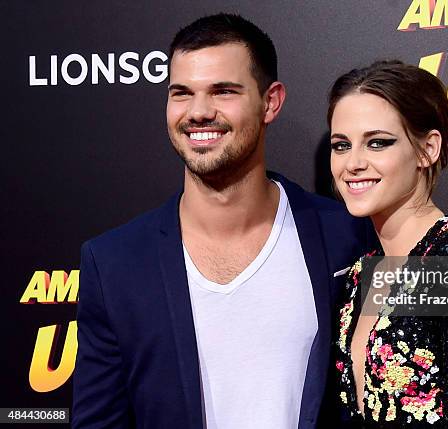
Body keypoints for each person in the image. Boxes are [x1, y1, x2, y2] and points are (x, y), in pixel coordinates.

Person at [71, 14, 375, 429]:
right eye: (181, 93)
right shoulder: (113, 262)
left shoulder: (348, 233)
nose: (198, 112)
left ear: (271, 102)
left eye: (223, 91)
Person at [328, 60, 448, 427]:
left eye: (377, 143)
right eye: (341, 145)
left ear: (427, 149)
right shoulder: (360, 273)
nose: (352, 163)